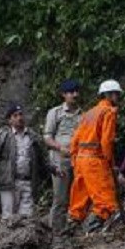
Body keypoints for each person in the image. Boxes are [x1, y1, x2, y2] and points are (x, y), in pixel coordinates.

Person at [69, 80, 123, 231]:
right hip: (95, 160)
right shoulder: (109, 112)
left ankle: (71, 227)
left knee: (79, 198)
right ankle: (93, 229)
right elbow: (107, 140)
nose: (118, 97)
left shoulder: (89, 113)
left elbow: (75, 140)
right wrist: (109, 161)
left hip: (81, 159)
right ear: (110, 94)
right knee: (105, 199)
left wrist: (75, 159)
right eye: (117, 94)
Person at [0, 103, 52, 221]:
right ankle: (6, 239)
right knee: (9, 217)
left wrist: (54, 169)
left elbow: (43, 157)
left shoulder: (32, 136)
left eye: (20, 115)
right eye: (15, 116)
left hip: (27, 181)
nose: (19, 118)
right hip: (8, 181)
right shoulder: (2, 135)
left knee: (27, 217)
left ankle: (25, 239)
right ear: (9, 120)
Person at [44, 81, 83, 232]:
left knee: (76, 195)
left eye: (76, 91)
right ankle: (55, 231)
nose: (75, 95)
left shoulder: (82, 114)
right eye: (71, 92)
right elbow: (47, 137)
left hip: (78, 159)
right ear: (63, 94)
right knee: (60, 197)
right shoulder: (55, 112)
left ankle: (71, 228)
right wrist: (60, 147)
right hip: (59, 160)